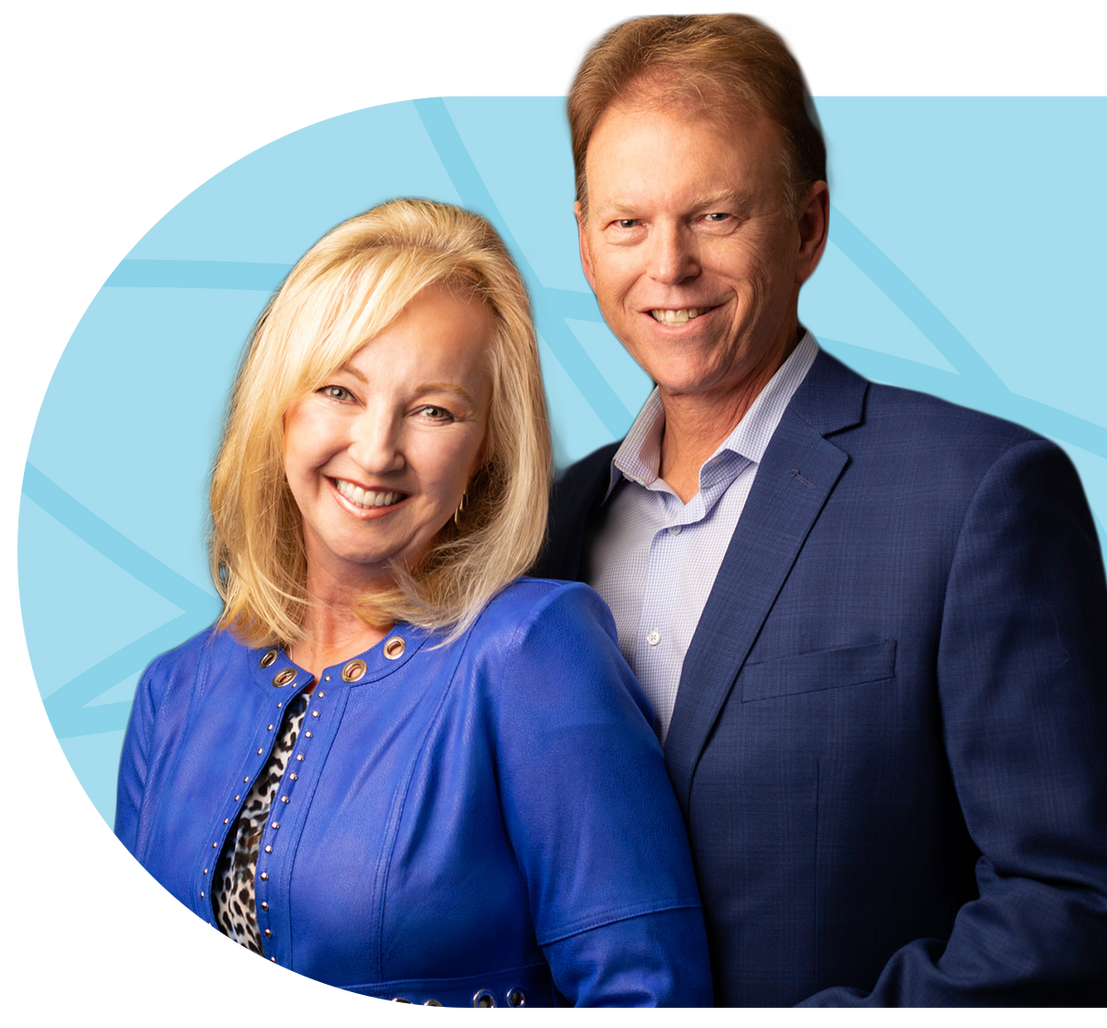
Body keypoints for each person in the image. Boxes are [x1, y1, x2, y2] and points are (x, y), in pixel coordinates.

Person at [534, 12, 1107, 1008]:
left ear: (806, 226)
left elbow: (1082, 904)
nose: (669, 265)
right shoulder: (544, 529)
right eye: (628, 222)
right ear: (583, 239)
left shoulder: (979, 495)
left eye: (714, 214)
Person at [113, 199, 713, 1009]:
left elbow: (649, 992)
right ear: (280, 410)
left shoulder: (533, 650)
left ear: (484, 454)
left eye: (434, 410)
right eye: (339, 390)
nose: (377, 449)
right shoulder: (173, 691)